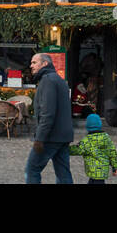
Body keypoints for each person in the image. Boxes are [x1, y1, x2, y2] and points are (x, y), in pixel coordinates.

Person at [25, 52, 73, 184]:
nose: (31, 66)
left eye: (34, 62)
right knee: (63, 173)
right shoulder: (58, 80)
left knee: (32, 169)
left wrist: (40, 138)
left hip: (51, 136)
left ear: (45, 63)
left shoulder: (47, 80)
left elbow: (47, 112)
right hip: (63, 136)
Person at [68, 112, 117, 184]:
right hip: (102, 172)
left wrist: (66, 149)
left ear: (87, 126)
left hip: (93, 171)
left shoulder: (87, 141)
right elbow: (113, 153)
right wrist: (114, 167)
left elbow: (77, 150)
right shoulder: (106, 138)